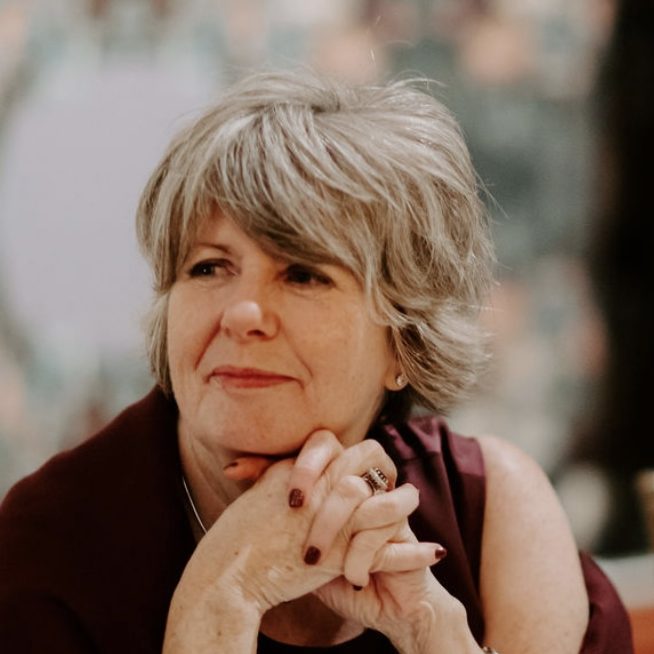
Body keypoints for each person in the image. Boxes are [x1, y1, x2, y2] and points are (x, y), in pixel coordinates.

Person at [0, 70, 632, 653]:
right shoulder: (46, 549)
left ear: (404, 341)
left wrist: (432, 630)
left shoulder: (493, 513)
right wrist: (222, 595)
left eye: (302, 274)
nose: (241, 312)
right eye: (209, 267)